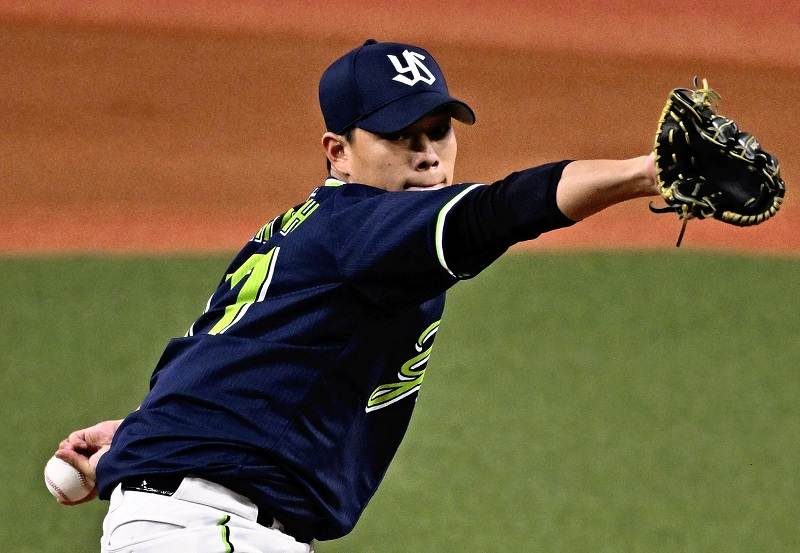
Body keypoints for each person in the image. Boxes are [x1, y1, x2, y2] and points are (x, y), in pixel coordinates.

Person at [54, 39, 658, 552]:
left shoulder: (312, 231)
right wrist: (643, 174)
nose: (427, 155)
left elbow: (233, 355)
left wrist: (141, 436)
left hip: (196, 521)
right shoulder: (361, 230)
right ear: (338, 153)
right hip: (211, 529)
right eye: (399, 135)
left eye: (439, 131)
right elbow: (497, 211)